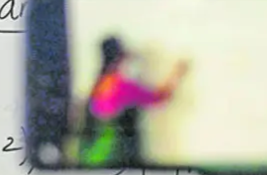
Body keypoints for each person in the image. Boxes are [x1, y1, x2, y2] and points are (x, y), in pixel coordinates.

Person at [74, 36, 188, 167]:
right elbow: (160, 97)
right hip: (114, 157)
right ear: (120, 58)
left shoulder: (98, 86)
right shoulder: (121, 87)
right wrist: (178, 73)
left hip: (91, 158)